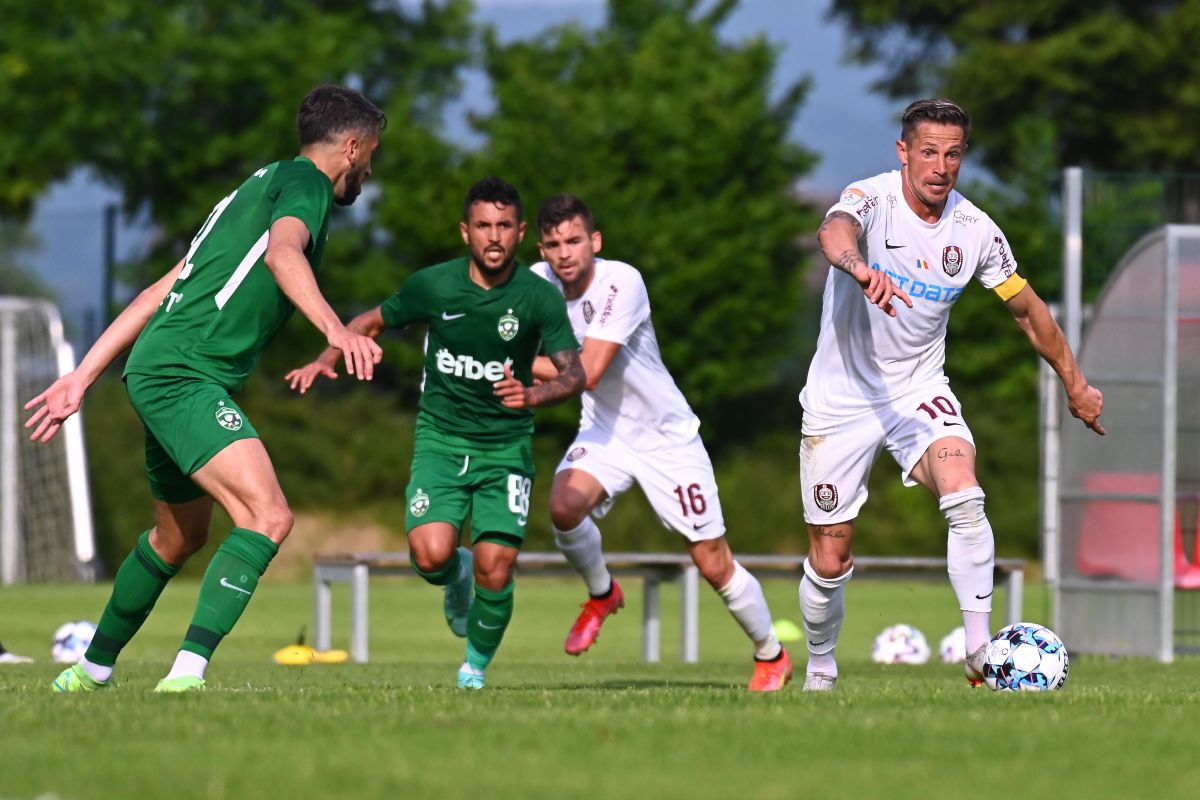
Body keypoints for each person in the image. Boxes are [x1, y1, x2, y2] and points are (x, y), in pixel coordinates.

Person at [26, 84, 387, 693]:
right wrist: (336, 330)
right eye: (372, 154)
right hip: (183, 374)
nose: (371, 169)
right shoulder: (306, 186)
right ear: (351, 148)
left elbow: (160, 290)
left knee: (178, 537)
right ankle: (187, 674)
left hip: (156, 368)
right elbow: (283, 255)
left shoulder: (250, 190)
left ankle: (89, 671)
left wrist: (82, 376)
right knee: (267, 516)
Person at [797, 98, 1105, 692]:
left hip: (918, 389)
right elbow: (833, 231)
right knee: (830, 559)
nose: (940, 166)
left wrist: (1076, 381)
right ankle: (820, 667)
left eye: (953, 154)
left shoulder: (976, 231)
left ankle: (977, 651)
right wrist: (860, 269)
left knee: (965, 492)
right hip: (841, 398)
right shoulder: (873, 198)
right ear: (904, 152)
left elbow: (1026, 308)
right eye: (929, 151)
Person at [286, 178, 585, 689]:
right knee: (431, 555)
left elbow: (574, 374)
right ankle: (455, 576)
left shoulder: (538, 298)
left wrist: (533, 395)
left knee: (500, 564)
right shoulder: (434, 286)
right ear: (465, 231)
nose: (494, 237)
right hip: (441, 441)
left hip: (505, 447)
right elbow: (371, 321)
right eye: (484, 226)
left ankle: (473, 669)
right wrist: (325, 357)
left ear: (519, 235)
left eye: (505, 226)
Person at [528, 194, 793, 692]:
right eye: (553, 244)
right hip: (605, 432)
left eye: (573, 241)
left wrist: (518, 368)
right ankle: (602, 594)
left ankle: (771, 654)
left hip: (667, 439)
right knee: (563, 507)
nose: (564, 253)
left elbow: (588, 371)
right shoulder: (535, 284)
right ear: (542, 249)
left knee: (712, 560)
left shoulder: (620, 281)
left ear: (595, 241)